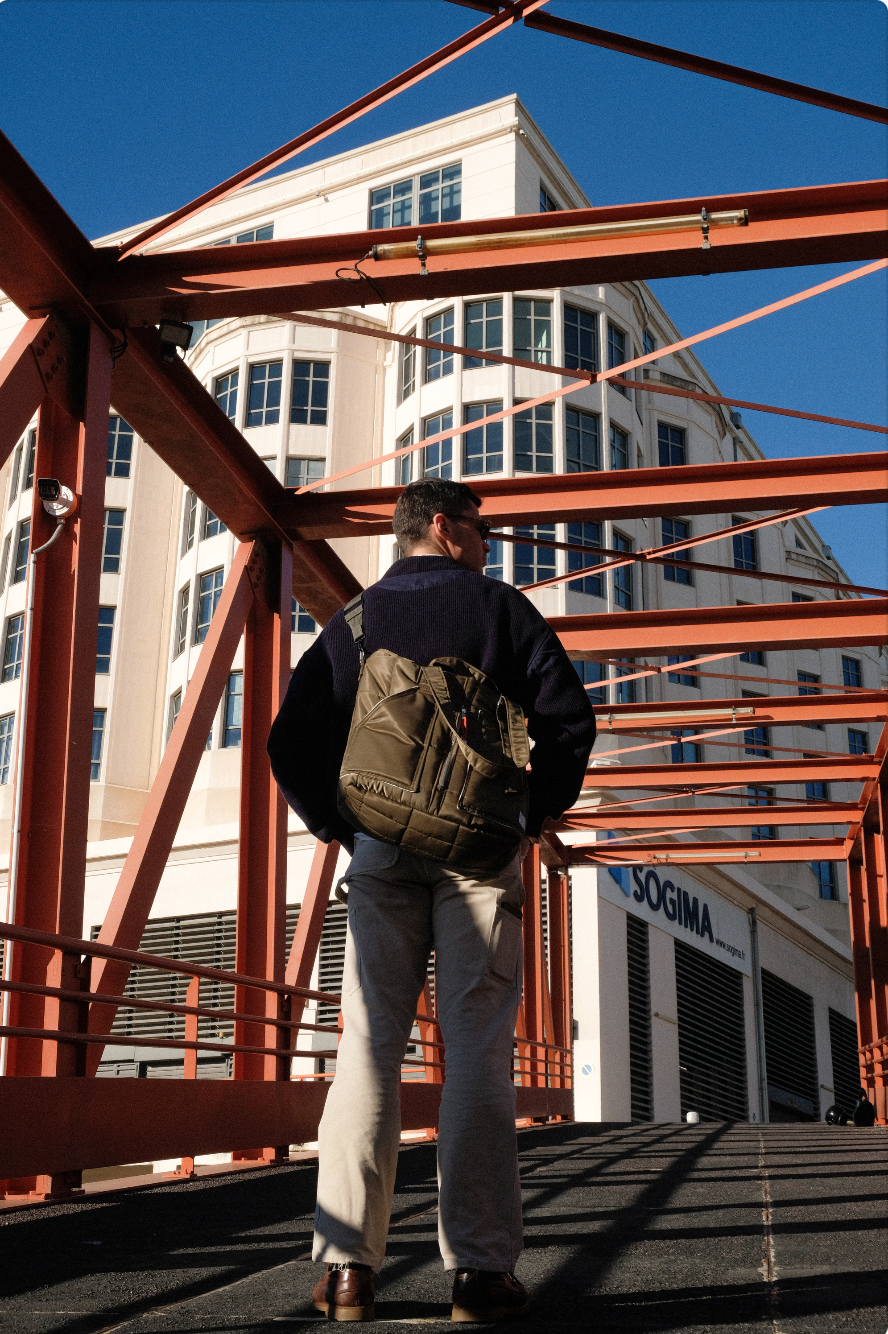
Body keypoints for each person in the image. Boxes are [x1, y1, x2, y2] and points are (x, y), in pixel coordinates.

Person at [268, 478, 596, 1323]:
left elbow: (290, 738)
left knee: (370, 1048)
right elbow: (568, 721)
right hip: (480, 857)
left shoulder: (356, 621)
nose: (488, 545)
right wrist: (531, 814)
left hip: (384, 852)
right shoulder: (502, 611)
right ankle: (481, 1274)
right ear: (444, 528)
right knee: (479, 1051)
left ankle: (347, 1270)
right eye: (481, 529)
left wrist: (346, 827)